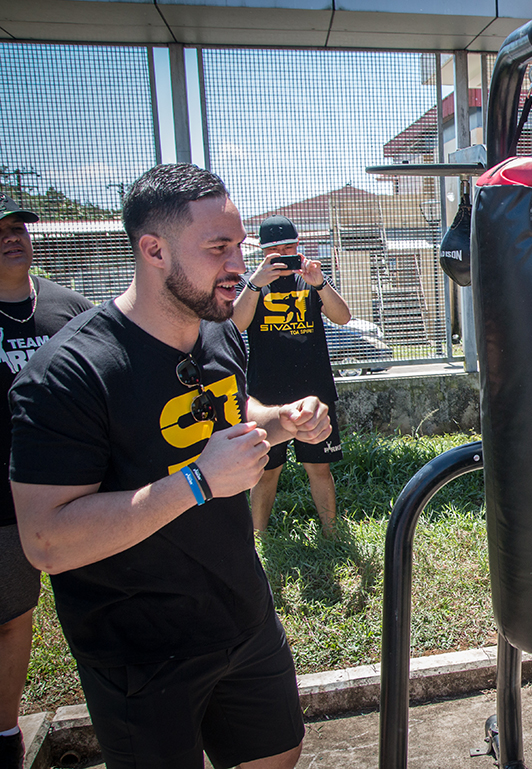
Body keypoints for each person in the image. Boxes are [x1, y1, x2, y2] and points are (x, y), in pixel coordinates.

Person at [9, 164, 333, 769]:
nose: (239, 263)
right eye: (218, 248)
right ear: (152, 249)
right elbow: (47, 540)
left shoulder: (218, 333)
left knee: (278, 755)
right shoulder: (68, 375)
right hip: (140, 649)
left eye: (238, 245)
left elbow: (234, 418)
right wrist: (198, 482)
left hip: (243, 618)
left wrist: (281, 419)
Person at [0, 194, 92, 769]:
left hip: (72, 493)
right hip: (2, 505)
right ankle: (5, 728)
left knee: (88, 611)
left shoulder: (67, 308)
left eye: (18, 228)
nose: (12, 237)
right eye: (0, 230)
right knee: (9, 619)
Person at [233, 215, 350, 534]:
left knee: (319, 467)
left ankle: (331, 533)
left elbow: (343, 317)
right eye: (278, 250)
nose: (287, 254)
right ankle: (257, 535)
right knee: (266, 470)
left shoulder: (310, 280)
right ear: (265, 252)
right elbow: (236, 325)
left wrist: (321, 283)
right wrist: (255, 283)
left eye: (292, 247)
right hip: (266, 397)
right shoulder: (253, 285)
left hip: (315, 393)